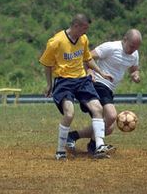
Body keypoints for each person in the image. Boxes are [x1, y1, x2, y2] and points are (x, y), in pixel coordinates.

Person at [39, 13, 114, 160]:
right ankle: (60, 151)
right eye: (84, 28)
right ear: (75, 26)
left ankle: (99, 146)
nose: (85, 32)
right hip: (64, 82)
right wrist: (49, 84)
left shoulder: (83, 39)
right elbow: (47, 65)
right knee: (69, 114)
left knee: (98, 108)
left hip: (81, 80)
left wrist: (101, 73)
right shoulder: (56, 42)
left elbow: (88, 58)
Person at [67, 29, 142, 155]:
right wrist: (89, 72)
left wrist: (135, 75)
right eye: (131, 46)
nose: (133, 50)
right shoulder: (110, 47)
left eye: (136, 48)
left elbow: (134, 69)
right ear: (124, 40)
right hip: (99, 84)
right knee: (112, 116)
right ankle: (94, 145)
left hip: (110, 89)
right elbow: (86, 57)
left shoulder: (134, 54)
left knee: (109, 128)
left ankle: (73, 136)